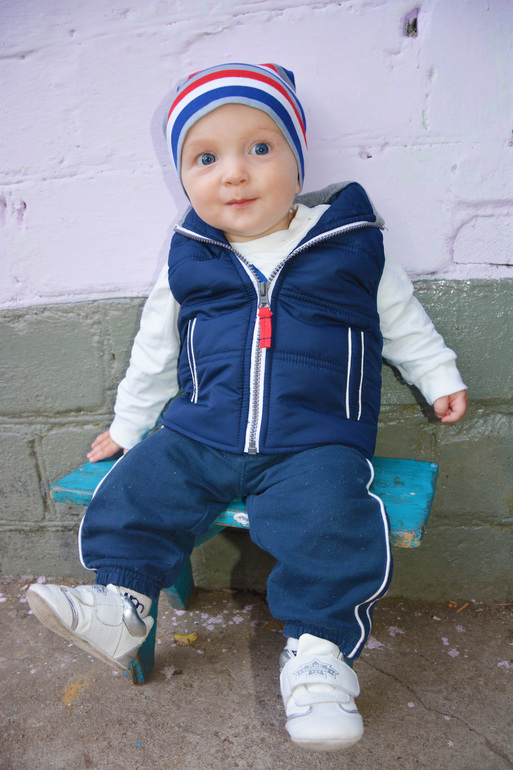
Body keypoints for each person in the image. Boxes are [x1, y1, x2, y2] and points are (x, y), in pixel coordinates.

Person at [28, 63, 467, 752]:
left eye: (259, 148)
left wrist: (437, 376)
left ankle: (319, 658)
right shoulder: (191, 258)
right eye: (205, 158)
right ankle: (121, 605)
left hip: (314, 441)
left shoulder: (350, 245)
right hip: (202, 431)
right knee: (141, 483)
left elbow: (403, 322)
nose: (233, 173)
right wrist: (128, 427)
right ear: (184, 179)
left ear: (297, 161)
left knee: (330, 524)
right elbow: (154, 350)